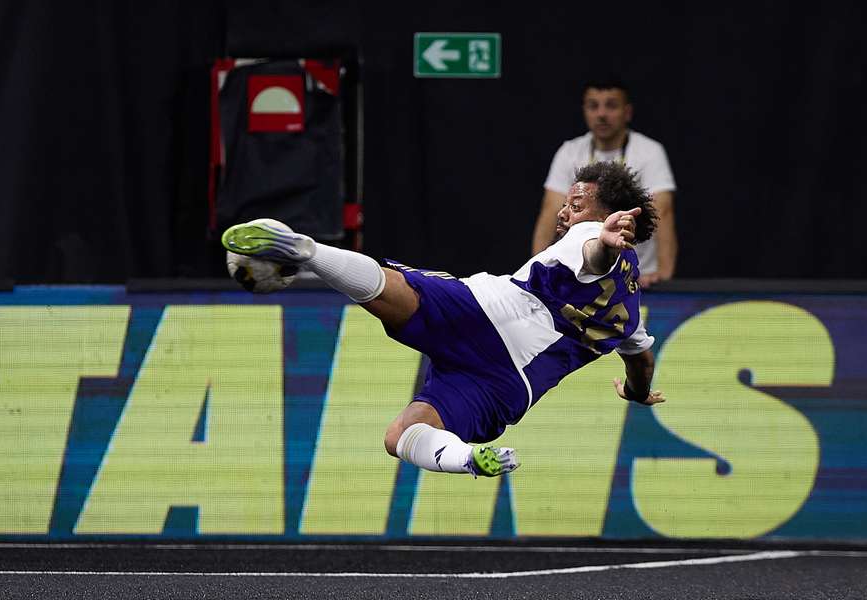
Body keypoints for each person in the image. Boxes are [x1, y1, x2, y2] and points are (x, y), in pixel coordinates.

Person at [223, 161, 665, 479]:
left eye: (575, 203)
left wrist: (603, 241)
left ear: (605, 216)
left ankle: (307, 252)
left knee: (399, 288)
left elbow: (593, 254)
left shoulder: (590, 236)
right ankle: (467, 459)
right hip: (510, 385)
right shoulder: (631, 310)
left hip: (494, 314)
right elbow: (641, 358)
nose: (565, 213)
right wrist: (636, 392)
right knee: (401, 435)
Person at [532, 77, 677, 288]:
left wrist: (664, 278)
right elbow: (550, 212)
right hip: (580, 276)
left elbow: (663, 211)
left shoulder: (649, 152)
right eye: (593, 106)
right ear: (585, 111)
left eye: (611, 106)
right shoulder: (569, 152)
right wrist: (538, 268)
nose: (601, 114)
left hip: (635, 279)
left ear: (627, 112)